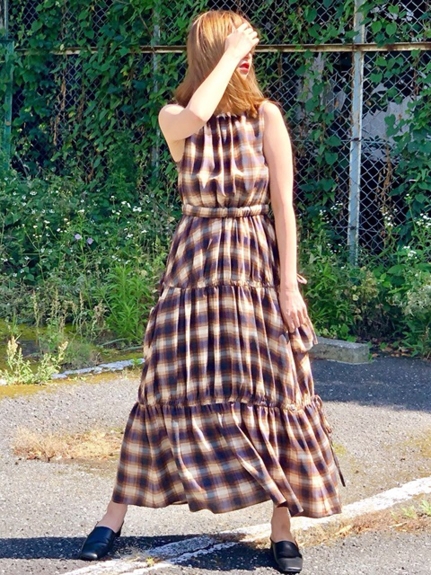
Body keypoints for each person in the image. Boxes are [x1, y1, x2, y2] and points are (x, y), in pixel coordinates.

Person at [79, 10, 343, 573]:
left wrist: (288, 286)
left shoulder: (266, 116)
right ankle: (114, 514)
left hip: (253, 266)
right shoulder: (175, 116)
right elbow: (198, 112)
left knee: (274, 383)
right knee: (164, 383)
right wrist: (227, 56)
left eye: (247, 50)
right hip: (194, 269)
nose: (246, 58)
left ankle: (281, 524)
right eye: (232, 48)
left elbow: (283, 209)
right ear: (209, 54)